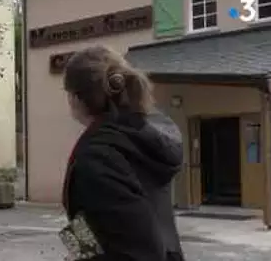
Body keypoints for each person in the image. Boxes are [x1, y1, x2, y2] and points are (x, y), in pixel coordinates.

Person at [59, 45, 185, 261]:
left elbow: (134, 249)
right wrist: (76, 251)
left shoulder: (98, 156)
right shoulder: (139, 136)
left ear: (75, 98)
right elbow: (90, 222)